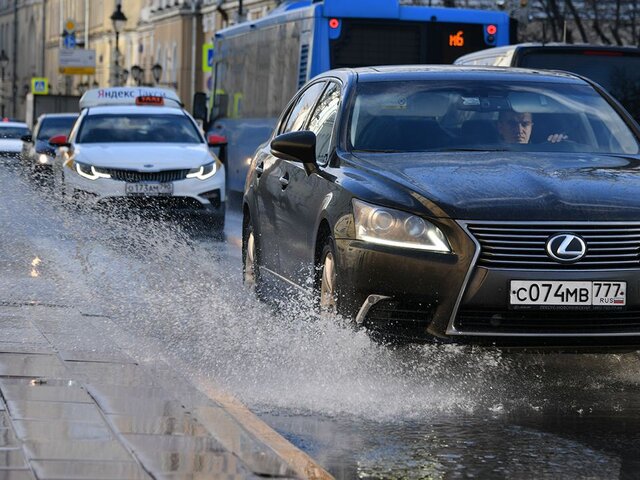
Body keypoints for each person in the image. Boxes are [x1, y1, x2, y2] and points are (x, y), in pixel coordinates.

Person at [496, 110, 568, 144]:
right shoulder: (488, 156)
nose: (519, 130)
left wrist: (559, 145)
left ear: (531, 127)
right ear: (500, 127)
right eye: (512, 124)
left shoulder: (544, 153)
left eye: (525, 124)